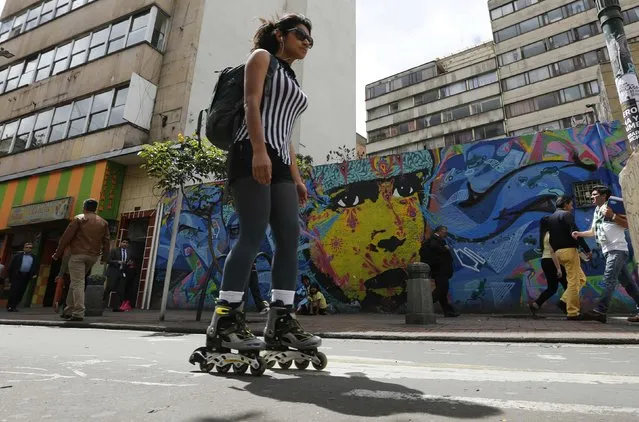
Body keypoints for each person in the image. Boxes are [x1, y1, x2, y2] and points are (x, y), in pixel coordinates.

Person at [198, 13, 320, 361]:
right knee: (252, 235)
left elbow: (286, 132)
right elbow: (252, 102)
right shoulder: (261, 58)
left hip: (280, 159)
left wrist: (295, 176)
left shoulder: (292, 79)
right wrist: (258, 151)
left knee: (289, 239)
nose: (307, 43)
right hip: (250, 152)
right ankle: (224, 321)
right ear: (280, 35)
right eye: (301, 36)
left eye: (311, 40)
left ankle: (280, 319)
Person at [572, 185, 639, 323]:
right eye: (592, 195)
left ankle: (600, 311)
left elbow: (629, 224)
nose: (592, 197)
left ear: (604, 196)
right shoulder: (597, 211)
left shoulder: (614, 207)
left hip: (617, 250)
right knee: (629, 284)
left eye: (595, 195)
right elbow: (593, 231)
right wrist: (579, 234)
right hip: (608, 251)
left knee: (609, 280)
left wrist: (612, 215)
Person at [52, 198, 110, 321]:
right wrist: (104, 258)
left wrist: (57, 253)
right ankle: (68, 310)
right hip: (93, 256)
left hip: (77, 254)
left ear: (84, 207)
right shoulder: (103, 222)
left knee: (78, 282)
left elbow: (66, 238)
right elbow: (106, 241)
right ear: (95, 208)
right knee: (75, 281)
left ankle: (78, 312)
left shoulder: (80, 218)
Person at [547, 196, 591, 320]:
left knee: (581, 279)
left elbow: (550, 239)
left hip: (559, 253)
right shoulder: (566, 215)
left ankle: (564, 301)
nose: (572, 207)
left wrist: (556, 251)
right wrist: (587, 249)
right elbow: (575, 233)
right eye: (571, 204)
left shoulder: (551, 218)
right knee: (573, 282)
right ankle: (573, 312)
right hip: (570, 252)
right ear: (565, 204)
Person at [528, 216, 567, 316]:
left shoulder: (544, 235)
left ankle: (536, 304)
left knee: (552, 288)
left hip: (546, 261)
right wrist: (558, 268)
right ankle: (565, 305)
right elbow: (553, 252)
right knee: (569, 285)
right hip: (553, 261)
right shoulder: (550, 235)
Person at [423, 226, 459, 317]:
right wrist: (445, 248)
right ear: (439, 231)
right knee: (442, 289)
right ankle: (424, 306)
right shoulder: (434, 239)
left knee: (443, 291)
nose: (446, 234)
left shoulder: (436, 239)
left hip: (439, 270)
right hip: (440, 270)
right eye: (444, 231)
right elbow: (434, 247)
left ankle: (448, 311)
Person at [6, 242, 38, 312]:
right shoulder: (18, 255)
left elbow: (34, 266)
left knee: (21, 292)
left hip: (26, 276)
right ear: (24, 248)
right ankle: (10, 306)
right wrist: (10, 277)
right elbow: (11, 266)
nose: (28, 249)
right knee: (14, 291)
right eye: (27, 247)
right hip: (17, 275)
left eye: (30, 248)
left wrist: (34, 273)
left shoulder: (33, 257)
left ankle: (14, 306)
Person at [105, 238, 132, 312]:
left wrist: (128, 264)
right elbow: (108, 260)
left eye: (126, 243)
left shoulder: (129, 252)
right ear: (120, 243)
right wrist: (117, 262)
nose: (125, 244)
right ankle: (102, 302)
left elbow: (127, 262)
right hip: (113, 271)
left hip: (122, 272)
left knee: (120, 290)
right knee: (110, 287)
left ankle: (117, 307)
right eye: (123, 242)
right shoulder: (114, 250)